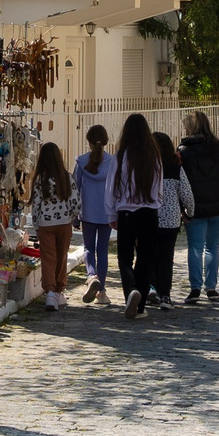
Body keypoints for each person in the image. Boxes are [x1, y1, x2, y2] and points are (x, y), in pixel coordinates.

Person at [178, 110, 219, 303]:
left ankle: (195, 288)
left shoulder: (183, 151)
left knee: (195, 247)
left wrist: (181, 208)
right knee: (212, 247)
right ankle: (211, 288)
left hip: (195, 207)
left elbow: (180, 181)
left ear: (190, 127)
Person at [111, 112, 162, 319]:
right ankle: (139, 306)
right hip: (149, 212)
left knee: (124, 257)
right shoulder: (154, 157)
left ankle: (131, 290)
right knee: (146, 258)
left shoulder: (120, 156)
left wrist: (111, 213)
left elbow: (111, 188)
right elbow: (159, 188)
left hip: (126, 213)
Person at [28, 142, 79, 311]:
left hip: (45, 224)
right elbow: (75, 203)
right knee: (62, 257)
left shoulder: (39, 180)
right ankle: (58, 290)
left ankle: (50, 292)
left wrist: (37, 225)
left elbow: (36, 206)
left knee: (48, 258)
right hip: (64, 223)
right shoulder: (67, 177)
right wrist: (70, 217)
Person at [149, 131, 194, 310]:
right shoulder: (176, 168)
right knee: (166, 258)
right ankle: (165, 296)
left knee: (149, 255)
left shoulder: (146, 168)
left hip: (149, 218)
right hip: (170, 221)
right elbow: (187, 194)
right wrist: (190, 213)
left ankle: (151, 287)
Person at [73, 125, 117, 306]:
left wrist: (74, 216)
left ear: (89, 142)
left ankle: (92, 276)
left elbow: (75, 188)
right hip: (106, 213)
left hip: (87, 212)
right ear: (105, 141)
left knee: (88, 248)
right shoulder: (112, 162)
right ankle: (102, 292)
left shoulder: (81, 162)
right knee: (103, 250)